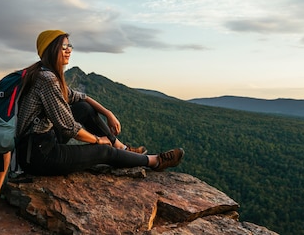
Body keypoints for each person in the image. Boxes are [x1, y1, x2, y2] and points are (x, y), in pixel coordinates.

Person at [13, 29, 184, 176]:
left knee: (83, 108)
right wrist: (97, 140)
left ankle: (122, 148)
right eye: (63, 46)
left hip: (42, 140)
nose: (69, 50)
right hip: (38, 155)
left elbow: (80, 97)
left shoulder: (45, 73)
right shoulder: (47, 79)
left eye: (69, 46)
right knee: (104, 151)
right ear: (50, 50)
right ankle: (154, 161)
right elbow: (69, 128)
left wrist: (108, 113)